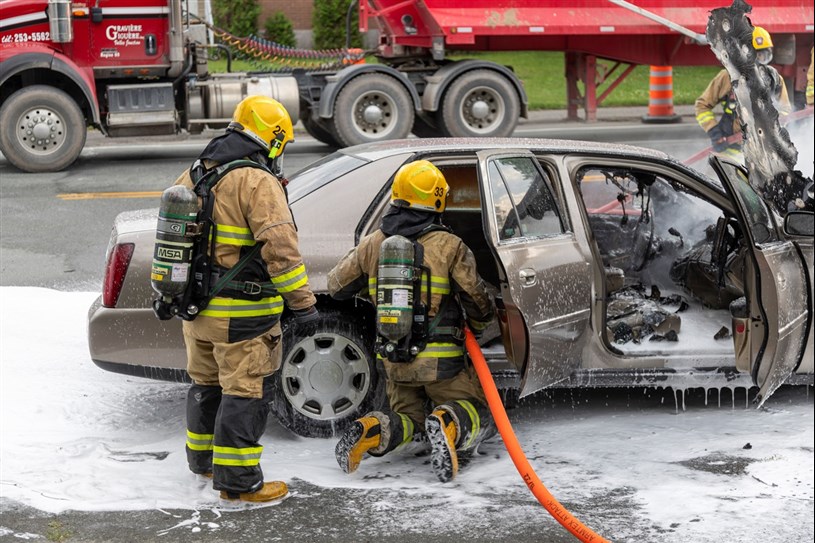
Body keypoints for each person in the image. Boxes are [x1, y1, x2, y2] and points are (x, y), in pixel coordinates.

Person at [176, 95, 319, 503]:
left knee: (206, 386)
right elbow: (280, 248)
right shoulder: (257, 181)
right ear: (271, 140)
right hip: (243, 315)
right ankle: (238, 483)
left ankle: (203, 463)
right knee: (246, 392)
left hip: (198, 312)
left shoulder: (196, 172)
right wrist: (303, 304)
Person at [327, 159, 496, 483]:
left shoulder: (373, 243)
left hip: (393, 359)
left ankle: (371, 430)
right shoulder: (450, 246)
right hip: (442, 362)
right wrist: (480, 326)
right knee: (475, 409)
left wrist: (372, 285)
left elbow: (336, 286)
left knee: (408, 419)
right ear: (437, 199)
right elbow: (476, 300)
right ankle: (448, 422)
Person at [695, 26, 791, 158]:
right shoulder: (727, 77)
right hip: (732, 151)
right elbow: (702, 105)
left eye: (763, 56)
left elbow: (785, 110)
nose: (757, 64)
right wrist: (714, 132)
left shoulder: (774, 79)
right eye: (753, 57)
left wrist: (774, 127)